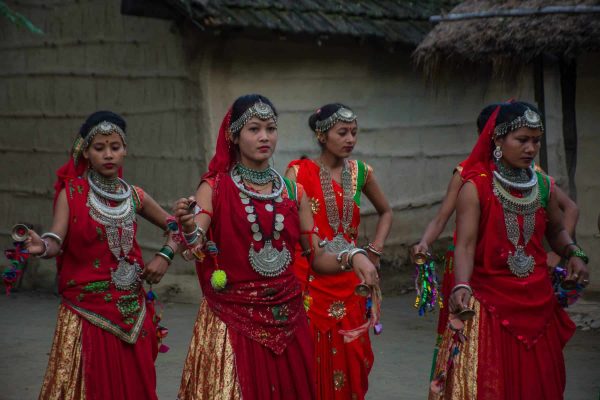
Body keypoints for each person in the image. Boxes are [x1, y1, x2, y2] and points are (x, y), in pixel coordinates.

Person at [173, 95, 379, 400]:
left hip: (288, 322)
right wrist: (190, 227)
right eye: (254, 129)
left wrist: (354, 255)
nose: (264, 137)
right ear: (234, 136)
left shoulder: (293, 191)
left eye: (270, 128)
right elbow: (196, 243)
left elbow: (317, 256)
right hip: (233, 321)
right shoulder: (215, 187)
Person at [429, 101, 590, 399]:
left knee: (540, 385)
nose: (530, 148)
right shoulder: (475, 185)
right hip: (490, 304)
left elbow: (556, 230)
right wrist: (461, 284)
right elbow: (464, 244)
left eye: (536, 141)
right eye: (522, 140)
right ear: (498, 140)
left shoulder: (542, 185)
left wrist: (573, 253)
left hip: (538, 303)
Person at [24, 111, 177, 399]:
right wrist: (42, 247)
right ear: (86, 152)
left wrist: (165, 256)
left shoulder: (135, 195)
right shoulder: (71, 193)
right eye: (100, 148)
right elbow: (56, 239)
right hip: (88, 310)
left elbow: (177, 227)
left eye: (115, 147)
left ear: (125, 151)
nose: (109, 154)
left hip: (133, 309)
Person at [285, 103, 392, 400]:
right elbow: (284, 220)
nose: (350, 139)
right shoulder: (298, 172)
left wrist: (374, 250)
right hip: (310, 277)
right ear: (321, 135)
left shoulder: (361, 172)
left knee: (354, 359)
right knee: (309, 360)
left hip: (351, 279)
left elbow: (386, 212)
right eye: (342, 132)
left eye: (354, 133)